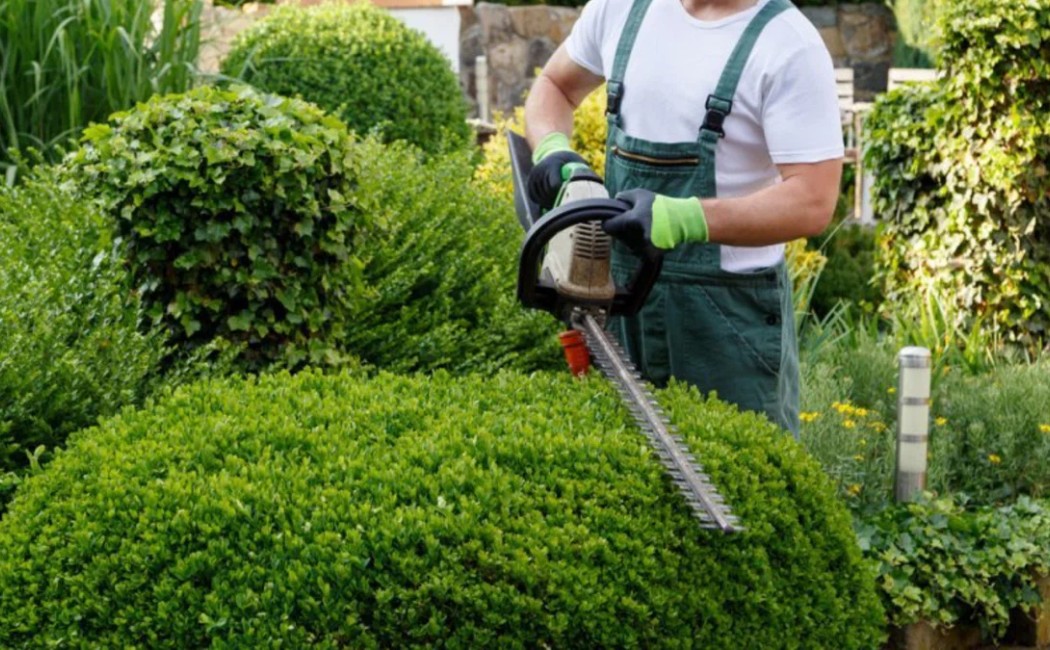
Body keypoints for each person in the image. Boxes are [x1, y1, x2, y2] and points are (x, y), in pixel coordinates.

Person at [523, 0, 844, 435]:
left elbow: (813, 200)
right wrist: (552, 148)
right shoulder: (621, 10)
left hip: (725, 324)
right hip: (616, 299)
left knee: (738, 485)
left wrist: (685, 219)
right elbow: (555, 86)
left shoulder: (787, 44)